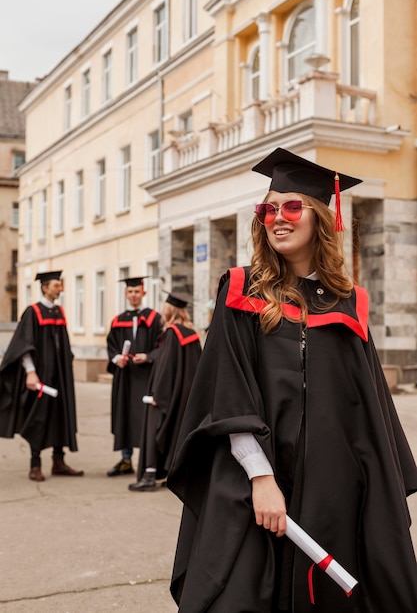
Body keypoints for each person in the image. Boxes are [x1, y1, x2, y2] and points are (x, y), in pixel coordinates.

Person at [167, 148, 417, 612]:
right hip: (256, 480)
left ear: (320, 217)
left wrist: (371, 490)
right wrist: (261, 478)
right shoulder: (242, 291)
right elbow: (227, 392)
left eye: (291, 206)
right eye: (267, 209)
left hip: (334, 489)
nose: (277, 218)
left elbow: (368, 410)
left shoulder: (349, 304)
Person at [0, 270, 84, 481]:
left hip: (61, 374)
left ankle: (58, 461)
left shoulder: (58, 311)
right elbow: (24, 345)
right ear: (45, 287)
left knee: (60, 415)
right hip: (42, 375)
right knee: (38, 416)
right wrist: (30, 372)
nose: (60, 289)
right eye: (56, 285)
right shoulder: (33, 312)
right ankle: (35, 464)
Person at [128, 292, 202, 492]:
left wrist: (157, 395)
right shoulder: (191, 333)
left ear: (168, 310)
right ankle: (175, 474)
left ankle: (150, 475)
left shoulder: (171, 333)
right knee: (176, 432)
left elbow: (166, 367)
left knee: (154, 430)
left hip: (166, 393)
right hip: (185, 394)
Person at [106, 276, 162, 477]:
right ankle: (126, 459)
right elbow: (111, 347)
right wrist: (116, 359)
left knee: (146, 417)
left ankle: (149, 462)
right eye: (130, 292)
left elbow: (161, 346)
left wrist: (148, 356)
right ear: (125, 294)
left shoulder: (155, 318)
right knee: (125, 414)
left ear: (144, 293)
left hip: (147, 376)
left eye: (137, 291)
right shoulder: (118, 320)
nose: (134, 295)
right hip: (125, 378)